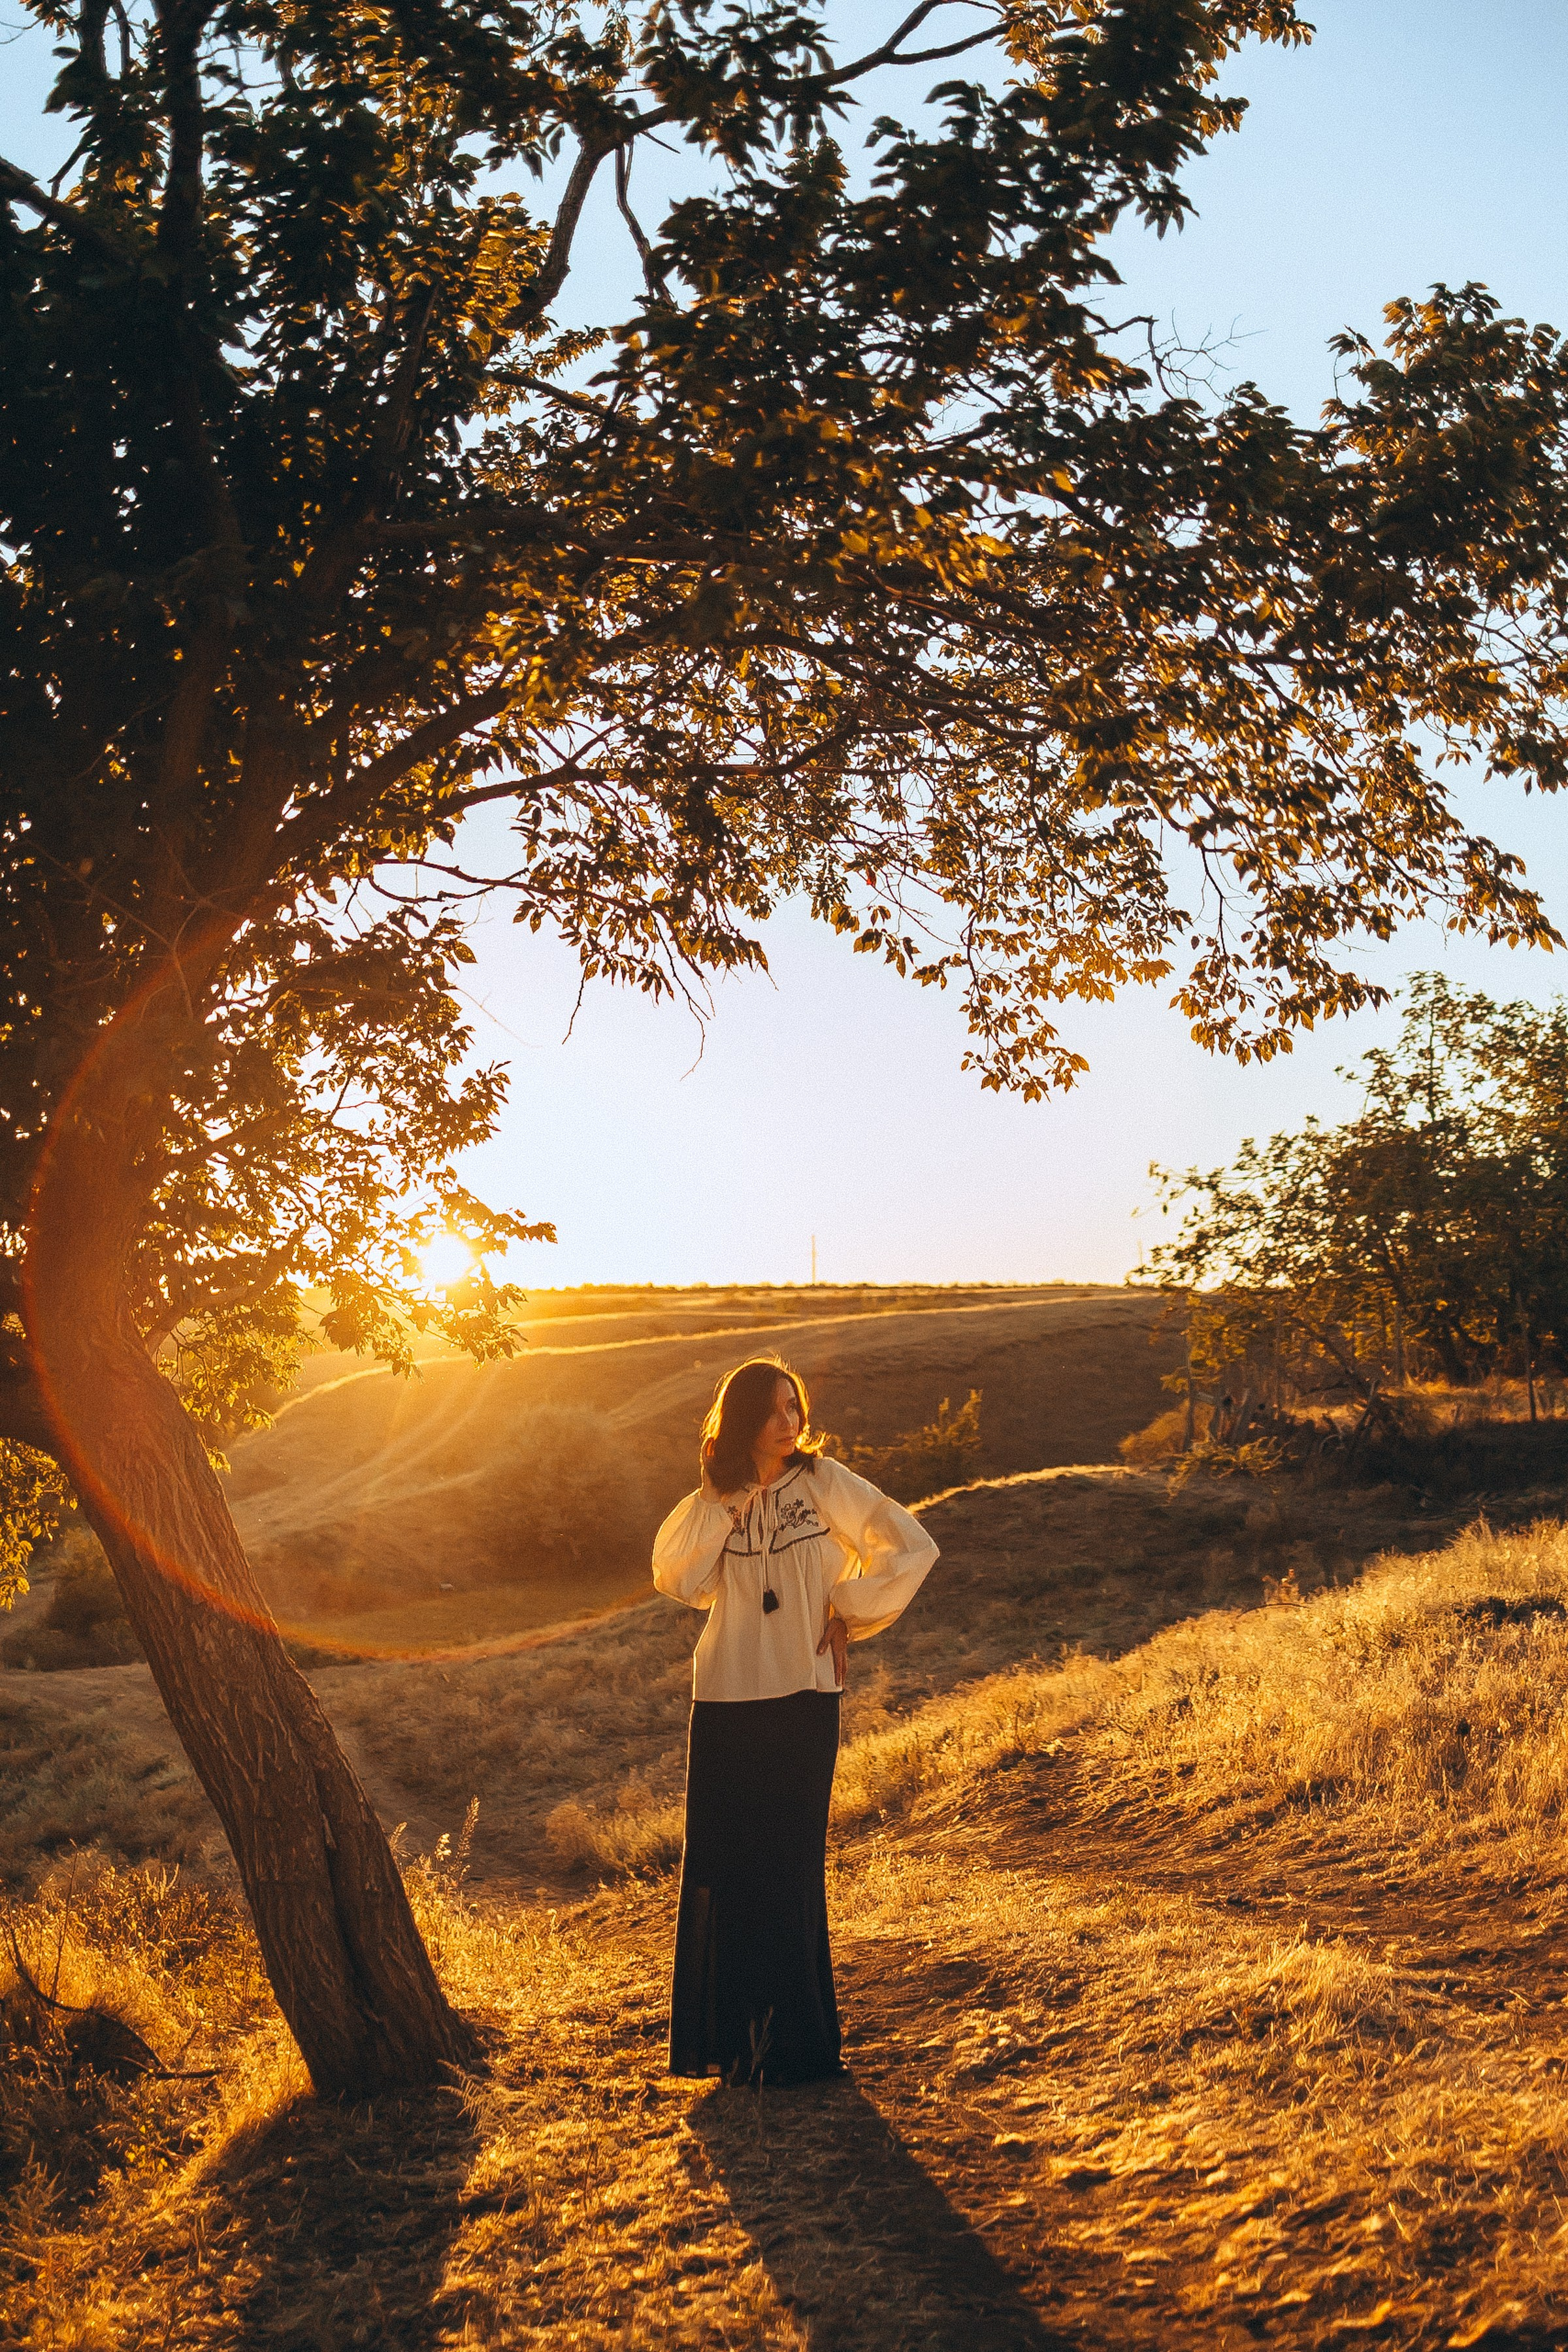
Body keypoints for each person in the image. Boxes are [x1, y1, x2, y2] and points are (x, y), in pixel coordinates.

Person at [653, 1356, 938, 2085]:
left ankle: (800, 2046)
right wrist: (728, 1502)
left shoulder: (825, 1482)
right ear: (744, 1417)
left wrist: (849, 1609)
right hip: (723, 1698)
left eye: (795, 1406)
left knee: (788, 1867)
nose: (790, 1421)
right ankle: (731, 2046)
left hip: (804, 1696)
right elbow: (678, 1578)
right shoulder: (712, 1499)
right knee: (726, 1866)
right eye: (775, 1409)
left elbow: (911, 1544)